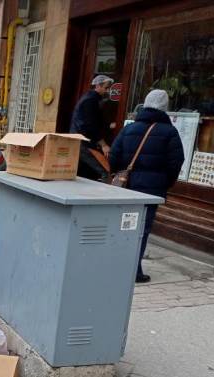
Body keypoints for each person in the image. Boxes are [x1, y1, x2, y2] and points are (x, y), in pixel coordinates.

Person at [109, 89, 184, 283]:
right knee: (142, 228)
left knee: (124, 225)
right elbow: (176, 162)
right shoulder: (169, 132)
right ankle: (134, 270)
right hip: (151, 190)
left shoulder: (129, 129)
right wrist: (164, 182)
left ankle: (115, 263)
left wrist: (120, 173)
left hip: (126, 188)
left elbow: (114, 156)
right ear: (165, 107)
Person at [70, 75, 114, 180]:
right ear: (98, 86)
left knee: (84, 172)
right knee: (104, 171)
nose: (108, 91)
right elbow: (90, 124)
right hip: (84, 141)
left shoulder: (91, 99)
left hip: (82, 140)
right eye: (106, 88)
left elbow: (93, 121)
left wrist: (108, 125)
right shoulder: (90, 100)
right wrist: (103, 144)